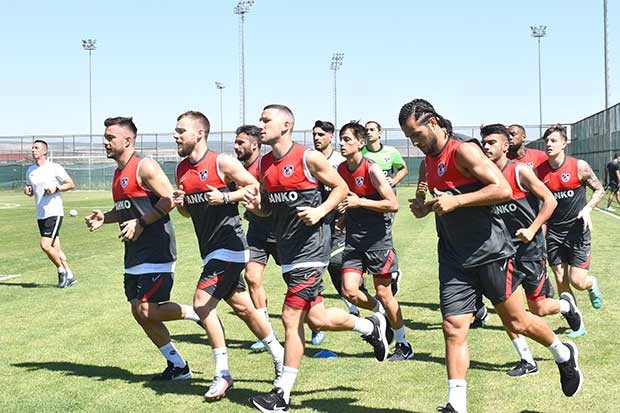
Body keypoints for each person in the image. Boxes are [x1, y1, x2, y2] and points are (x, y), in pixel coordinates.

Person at [400, 99, 583, 413]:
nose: (414, 142)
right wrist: (425, 207)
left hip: (491, 252)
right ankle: (456, 405)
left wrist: (457, 202)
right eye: (409, 137)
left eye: (416, 134)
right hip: (454, 258)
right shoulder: (428, 161)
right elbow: (442, 197)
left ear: (432, 123)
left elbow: (501, 189)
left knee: (518, 321)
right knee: (453, 327)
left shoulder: (463, 151)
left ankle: (563, 353)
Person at [245, 104, 390, 412]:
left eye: (267, 120)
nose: (261, 125)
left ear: (286, 126)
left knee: (290, 317)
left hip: (312, 250)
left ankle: (281, 395)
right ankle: (371, 327)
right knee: (317, 318)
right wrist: (256, 206)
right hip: (288, 251)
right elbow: (268, 208)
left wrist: (321, 211)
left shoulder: (308, 158)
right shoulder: (264, 164)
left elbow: (341, 187)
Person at [172, 111, 285, 401]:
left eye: (181, 130)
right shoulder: (181, 169)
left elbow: (253, 187)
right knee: (245, 309)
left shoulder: (221, 162)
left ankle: (222, 374)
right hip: (210, 250)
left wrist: (225, 197)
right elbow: (188, 213)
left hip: (231, 247)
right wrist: (181, 203)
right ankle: (280, 354)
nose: (176, 135)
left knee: (201, 303)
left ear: (199, 133)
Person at [84, 116, 199, 382]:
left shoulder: (144, 166)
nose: (105, 142)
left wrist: (142, 223)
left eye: (110, 138)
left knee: (148, 310)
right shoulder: (118, 173)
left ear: (128, 140)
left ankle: (197, 313)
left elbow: (170, 199)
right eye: (105, 137)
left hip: (157, 248)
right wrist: (105, 218)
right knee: (139, 312)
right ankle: (178, 366)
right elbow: (127, 209)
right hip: (134, 252)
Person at [480, 124, 585, 376]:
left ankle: (566, 307)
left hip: (530, 249)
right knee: (506, 308)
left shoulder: (519, 172)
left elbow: (549, 200)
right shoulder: (482, 177)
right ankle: (527, 360)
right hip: (501, 252)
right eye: (484, 142)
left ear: (506, 146)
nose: (486, 147)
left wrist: (532, 229)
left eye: (492, 142)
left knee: (538, 308)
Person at [337, 122, 413, 362]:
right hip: (353, 242)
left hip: (378, 242)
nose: (342, 143)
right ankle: (380, 315)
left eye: (347, 139)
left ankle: (403, 343)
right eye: (341, 139)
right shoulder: (341, 170)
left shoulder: (372, 169)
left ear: (360, 143)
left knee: (384, 293)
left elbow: (393, 204)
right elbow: (347, 201)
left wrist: (360, 202)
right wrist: (343, 218)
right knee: (349, 291)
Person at [538, 124, 605, 311]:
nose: (549, 144)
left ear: (564, 143)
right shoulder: (539, 172)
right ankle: (576, 321)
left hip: (577, 231)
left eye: (553, 141)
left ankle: (590, 284)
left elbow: (599, 190)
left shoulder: (579, 166)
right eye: (546, 141)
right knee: (561, 279)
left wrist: (588, 208)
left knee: (577, 281)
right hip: (554, 233)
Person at [233, 124, 281, 352]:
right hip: (256, 232)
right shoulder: (238, 171)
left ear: (255, 145)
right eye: (235, 142)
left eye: (240, 142)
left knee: (296, 282)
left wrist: (257, 208)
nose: (236, 147)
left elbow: (271, 203)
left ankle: (315, 322)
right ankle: (266, 331)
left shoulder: (265, 167)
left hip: (281, 232)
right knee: (251, 277)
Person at [313, 119, 360, 322]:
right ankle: (353, 307)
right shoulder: (310, 159)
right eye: (314, 134)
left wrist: (344, 202)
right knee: (327, 266)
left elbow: (351, 188)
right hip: (319, 222)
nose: (316, 138)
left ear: (331, 136)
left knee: (335, 263)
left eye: (321, 134)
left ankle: (362, 301)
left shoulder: (340, 161)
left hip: (342, 221)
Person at [362, 120, 408, 296]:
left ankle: (392, 272)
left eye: (372, 129)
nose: (369, 132)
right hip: (368, 200)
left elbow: (403, 169)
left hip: (386, 200)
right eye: (366, 130)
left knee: (384, 233)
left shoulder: (391, 152)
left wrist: (394, 181)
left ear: (380, 133)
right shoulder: (361, 152)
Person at [24, 139, 77, 288]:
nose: (33, 150)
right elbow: (31, 190)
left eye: (36, 148)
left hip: (54, 211)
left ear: (44, 151)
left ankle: (61, 271)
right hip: (41, 213)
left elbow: (70, 184)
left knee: (45, 245)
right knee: (56, 248)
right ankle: (70, 275)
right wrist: (28, 191)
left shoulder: (54, 168)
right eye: (32, 148)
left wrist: (56, 188)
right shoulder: (30, 171)